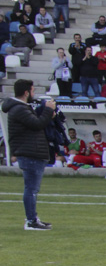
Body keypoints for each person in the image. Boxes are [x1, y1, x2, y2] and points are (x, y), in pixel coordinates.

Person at [3, 80, 56, 230]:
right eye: (32, 91)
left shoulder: (19, 108)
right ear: (26, 92)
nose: (33, 94)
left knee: (32, 189)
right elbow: (37, 124)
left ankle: (33, 218)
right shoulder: (19, 109)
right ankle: (31, 221)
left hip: (30, 151)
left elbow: (34, 125)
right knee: (31, 189)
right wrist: (48, 110)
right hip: (30, 153)